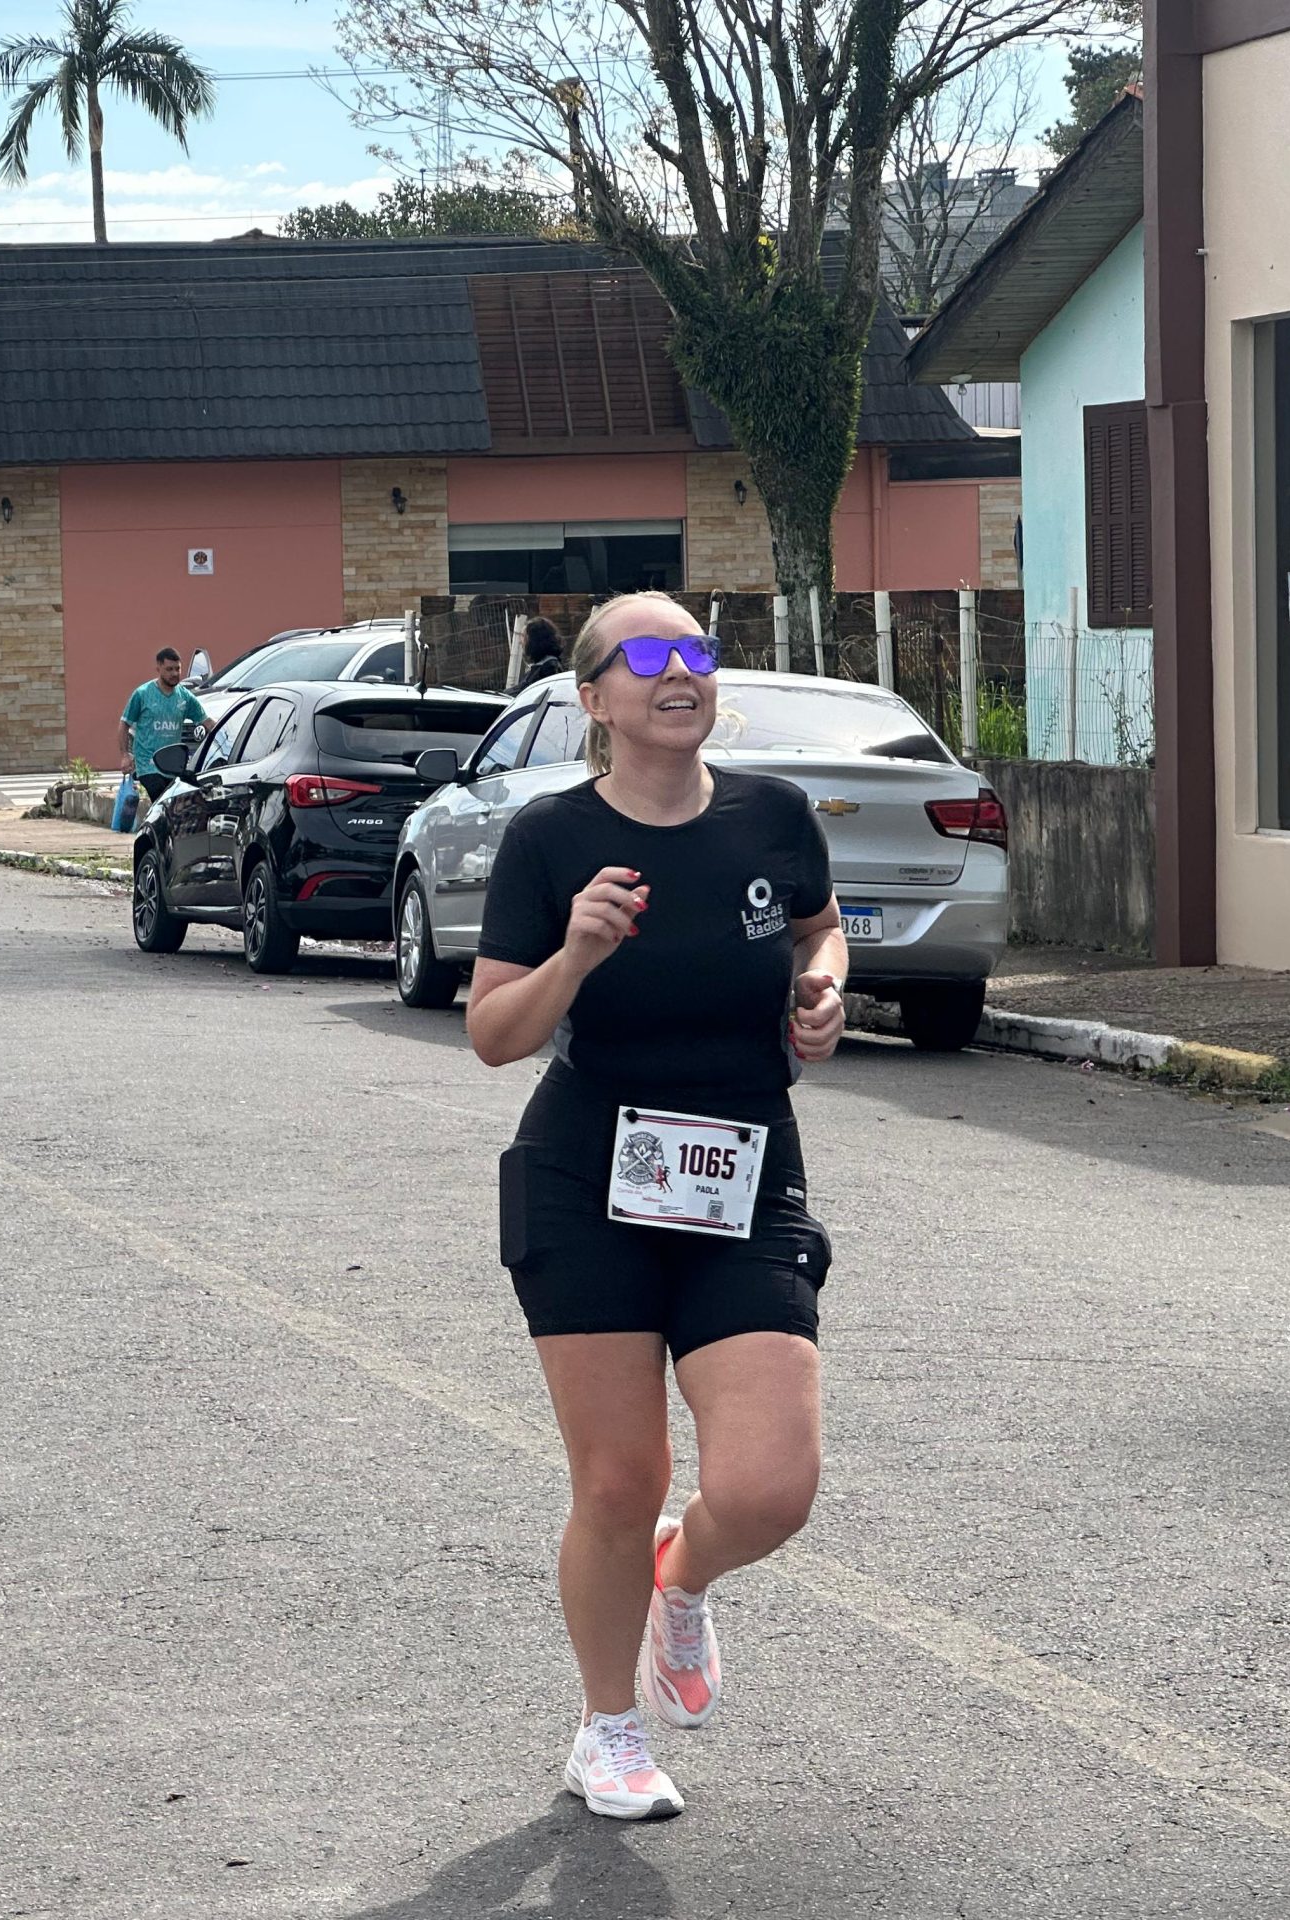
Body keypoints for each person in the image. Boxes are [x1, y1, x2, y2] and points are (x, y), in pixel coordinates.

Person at [464, 591, 848, 1822]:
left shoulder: (772, 817)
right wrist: (573, 956)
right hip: (588, 1176)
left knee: (770, 1485)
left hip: (741, 1171)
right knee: (620, 1479)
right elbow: (490, 1034)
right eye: (646, 655)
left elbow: (818, 930)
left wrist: (824, 989)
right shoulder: (548, 839)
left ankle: (683, 1581)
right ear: (593, 699)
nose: (678, 672)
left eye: (695, 651)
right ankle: (606, 1728)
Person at [117, 647, 203, 811]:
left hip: (173, 765)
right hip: (148, 764)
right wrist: (124, 755)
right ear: (159, 668)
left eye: (177, 669)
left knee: (175, 807)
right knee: (162, 800)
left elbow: (207, 722)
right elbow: (124, 724)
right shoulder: (142, 694)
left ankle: (159, 834)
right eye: (169, 669)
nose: (174, 673)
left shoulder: (185, 697)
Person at [517, 616, 567, 690]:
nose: (520, 642)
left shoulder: (549, 669)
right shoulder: (541, 667)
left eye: (524, 637)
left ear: (535, 640)